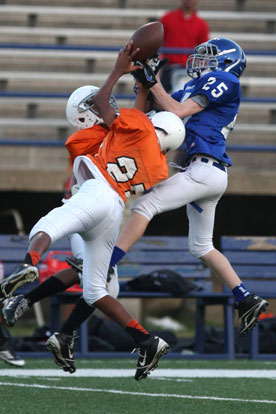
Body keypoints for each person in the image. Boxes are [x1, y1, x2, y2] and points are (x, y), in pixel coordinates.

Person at [1, 41, 185, 381]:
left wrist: (119, 69)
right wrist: (145, 82)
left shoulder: (103, 132)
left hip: (96, 192)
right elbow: (130, 119)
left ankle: (28, 267)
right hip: (115, 209)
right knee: (97, 289)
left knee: (44, 227)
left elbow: (109, 111)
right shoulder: (159, 164)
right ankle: (145, 340)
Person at [107, 37, 269, 338]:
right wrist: (145, 77)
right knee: (201, 246)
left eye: (209, 56)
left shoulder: (224, 79)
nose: (201, 61)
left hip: (203, 170)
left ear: (226, 61)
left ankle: (109, 263)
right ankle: (245, 297)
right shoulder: (199, 86)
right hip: (208, 172)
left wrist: (152, 79)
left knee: (145, 205)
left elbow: (177, 112)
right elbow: (162, 106)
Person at [160, 0, 209, 93]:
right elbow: (158, 42)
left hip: (187, 69)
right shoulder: (167, 18)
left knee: (183, 101)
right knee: (158, 101)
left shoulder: (201, 24)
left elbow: (203, 49)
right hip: (168, 66)